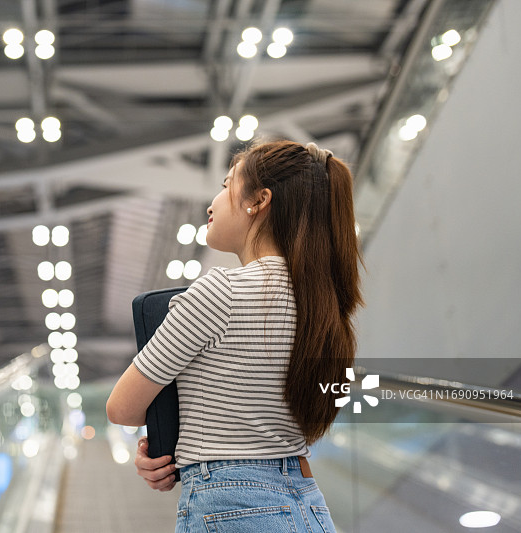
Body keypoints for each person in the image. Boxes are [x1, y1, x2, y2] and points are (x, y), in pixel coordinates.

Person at [106, 139, 363, 533]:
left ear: (258, 201)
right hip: (307, 504)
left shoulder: (220, 292)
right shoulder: (323, 306)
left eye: (226, 185)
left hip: (229, 502)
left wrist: (168, 444)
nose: (213, 203)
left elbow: (122, 408)